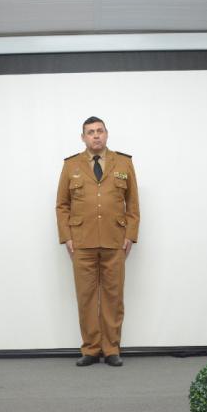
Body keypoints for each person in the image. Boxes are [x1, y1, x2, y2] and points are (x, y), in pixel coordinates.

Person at [56, 117, 140, 367]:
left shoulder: (123, 162)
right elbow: (62, 205)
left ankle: (112, 348)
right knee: (86, 297)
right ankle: (91, 349)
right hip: (82, 242)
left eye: (99, 131)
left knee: (114, 296)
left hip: (115, 240)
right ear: (83, 137)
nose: (96, 136)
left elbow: (133, 204)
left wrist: (130, 235)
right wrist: (67, 237)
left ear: (107, 134)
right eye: (90, 132)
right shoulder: (71, 165)